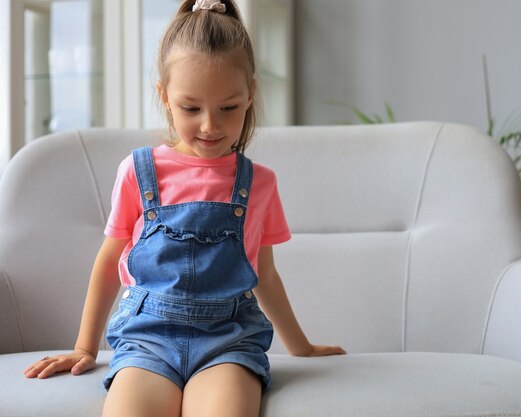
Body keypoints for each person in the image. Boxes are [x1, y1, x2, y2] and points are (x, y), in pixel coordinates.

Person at [23, 0, 346, 415]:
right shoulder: (139, 172)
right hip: (147, 338)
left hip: (228, 340)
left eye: (228, 107)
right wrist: (85, 346)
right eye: (190, 108)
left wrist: (301, 347)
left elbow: (264, 274)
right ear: (164, 96)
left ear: (251, 92)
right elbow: (109, 262)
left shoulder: (259, 184)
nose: (210, 125)